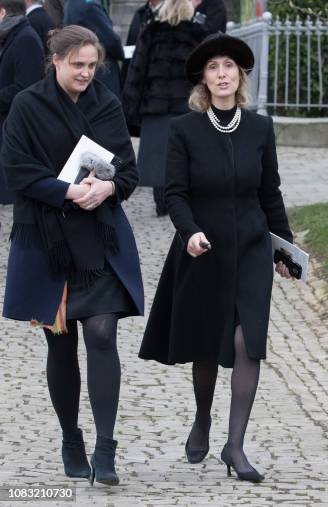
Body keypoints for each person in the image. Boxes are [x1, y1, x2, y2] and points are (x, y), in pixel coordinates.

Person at [138, 33, 294, 483]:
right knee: (208, 346)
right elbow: (175, 193)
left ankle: (235, 445)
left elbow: (270, 192)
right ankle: (202, 417)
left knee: (249, 342)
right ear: (203, 79)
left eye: (229, 67)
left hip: (250, 246)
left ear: (239, 75)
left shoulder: (260, 128)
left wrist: (283, 248)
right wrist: (190, 232)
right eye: (214, 68)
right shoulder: (184, 130)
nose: (223, 74)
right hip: (203, 249)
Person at [1, 25, 144, 486]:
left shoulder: (106, 102)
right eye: (76, 64)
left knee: (102, 333)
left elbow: (128, 170)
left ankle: (106, 447)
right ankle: (70, 437)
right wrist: (67, 192)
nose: (85, 73)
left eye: (91, 65)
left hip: (99, 236)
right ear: (55, 61)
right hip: (48, 241)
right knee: (60, 344)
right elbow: (18, 170)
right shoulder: (27, 105)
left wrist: (107, 187)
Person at [122, 0, 206, 216]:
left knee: (158, 157)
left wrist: (131, 107)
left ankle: (162, 202)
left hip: (155, 104)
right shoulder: (197, 32)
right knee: (185, 155)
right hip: (186, 104)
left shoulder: (150, 31)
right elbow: (202, 74)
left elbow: (137, 71)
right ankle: (182, 202)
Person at [0, 0, 45, 204]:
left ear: (2, 13)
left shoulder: (25, 38)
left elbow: (25, 87)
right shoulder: (11, 35)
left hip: (13, 124)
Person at [63, 0, 123, 97]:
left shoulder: (71, 3)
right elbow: (111, 41)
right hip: (101, 72)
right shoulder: (89, 5)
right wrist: (122, 54)